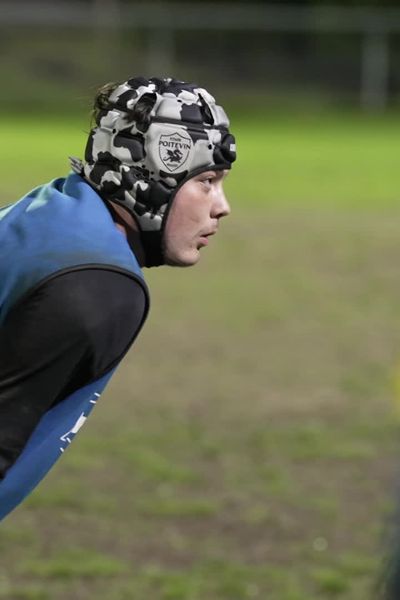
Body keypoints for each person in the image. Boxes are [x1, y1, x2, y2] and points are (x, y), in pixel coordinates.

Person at [0, 76, 236, 520]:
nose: (221, 205)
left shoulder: (47, 212)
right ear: (148, 177)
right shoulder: (100, 285)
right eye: (206, 180)